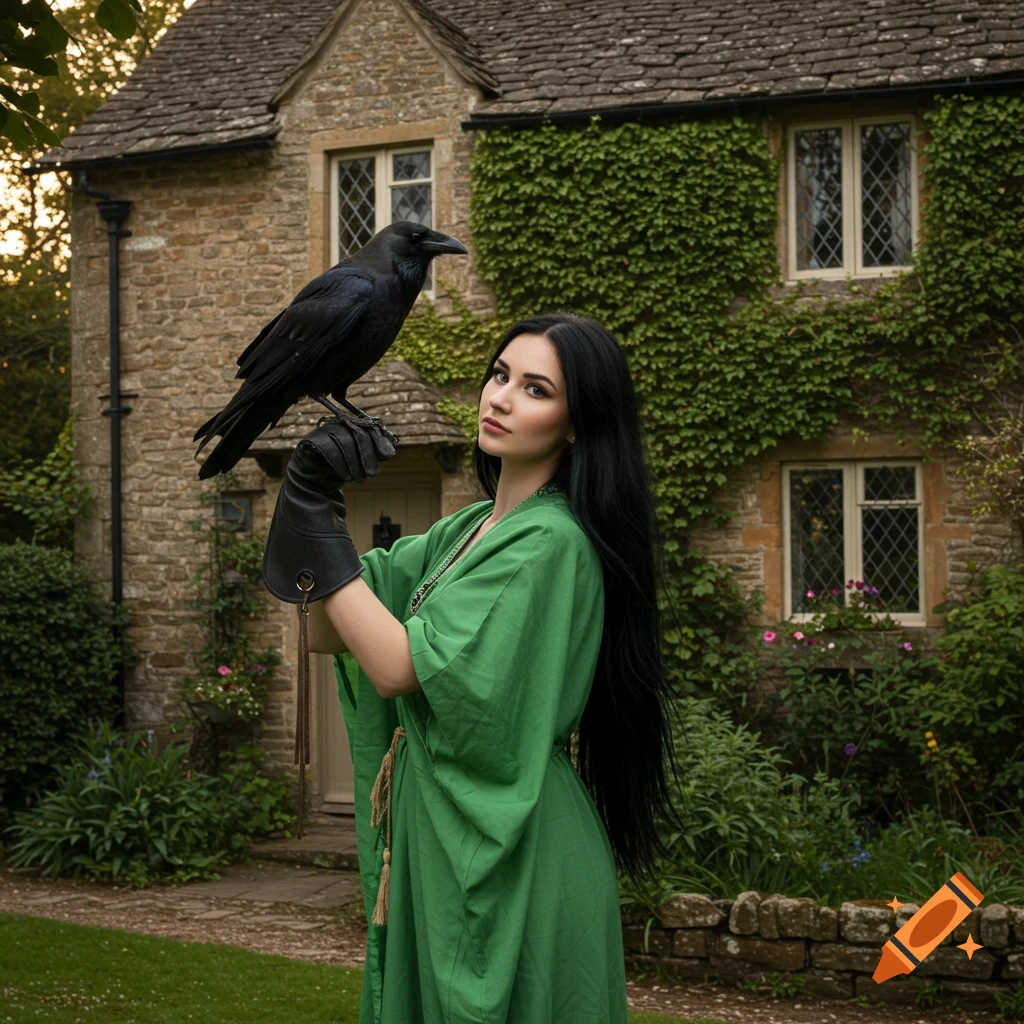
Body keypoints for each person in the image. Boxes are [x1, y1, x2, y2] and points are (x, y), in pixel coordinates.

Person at [262, 312, 686, 1024]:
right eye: (499, 375)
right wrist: (305, 505)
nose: (500, 397)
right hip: (444, 842)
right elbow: (329, 633)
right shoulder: (466, 530)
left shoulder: (549, 543)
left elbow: (396, 666)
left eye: (535, 388)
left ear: (579, 423)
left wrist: (323, 533)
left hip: (512, 844)